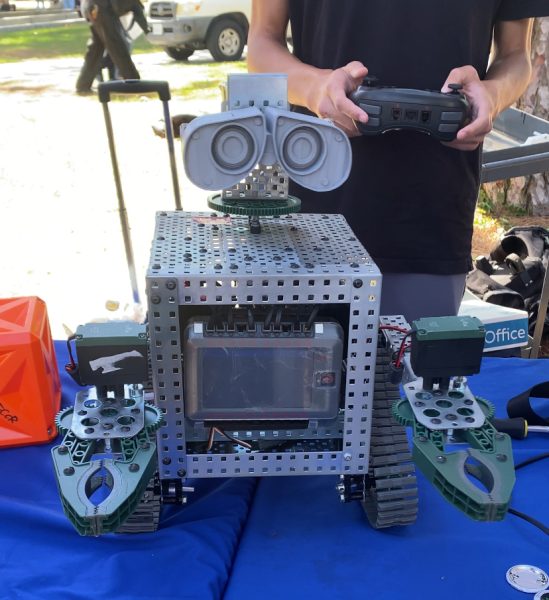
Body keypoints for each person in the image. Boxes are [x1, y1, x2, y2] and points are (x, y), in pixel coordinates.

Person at [247, 1, 549, 323]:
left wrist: (492, 94)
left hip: (432, 221)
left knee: (419, 371)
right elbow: (262, 43)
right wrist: (316, 88)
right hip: (312, 218)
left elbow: (516, 57)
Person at [76, 0, 149, 94]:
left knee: (96, 49)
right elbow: (138, 12)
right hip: (101, 8)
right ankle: (134, 83)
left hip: (94, 7)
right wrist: (147, 30)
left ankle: (83, 85)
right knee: (118, 48)